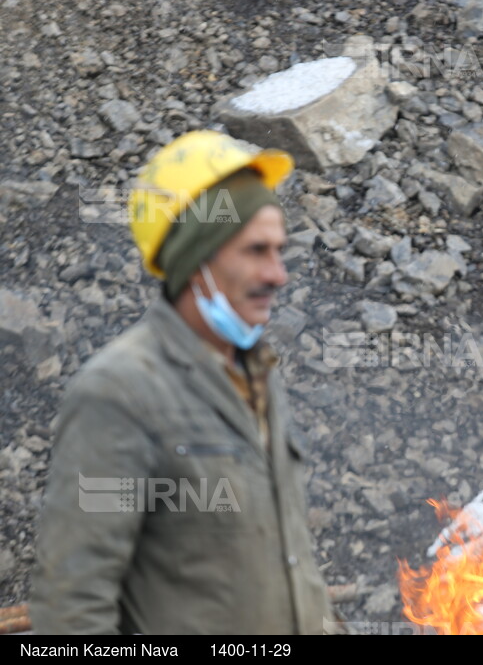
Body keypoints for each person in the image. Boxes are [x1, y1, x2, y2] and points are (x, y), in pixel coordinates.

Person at [31, 130, 340, 634]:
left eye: (279, 250)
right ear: (198, 262)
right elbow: (72, 606)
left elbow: (284, 560)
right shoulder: (121, 393)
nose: (278, 273)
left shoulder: (255, 372)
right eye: (255, 251)